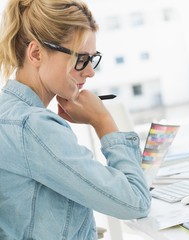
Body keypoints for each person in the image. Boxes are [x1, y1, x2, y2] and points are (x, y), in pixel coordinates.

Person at [0, 0, 151, 239]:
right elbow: (136, 203)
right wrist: (103, 121)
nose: (90, 71)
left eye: (93, 58)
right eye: (81, 58)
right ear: (37, 53)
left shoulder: (8, 113)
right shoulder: (34, 127)